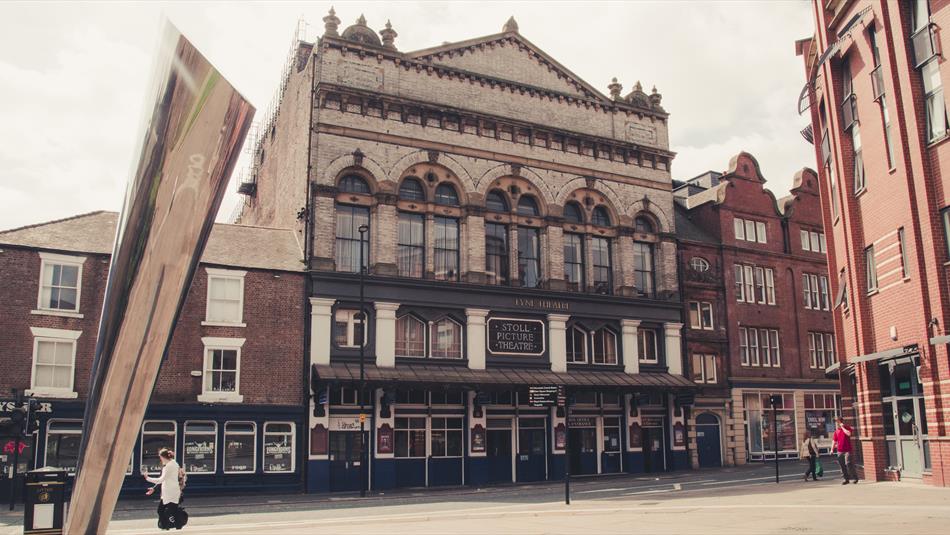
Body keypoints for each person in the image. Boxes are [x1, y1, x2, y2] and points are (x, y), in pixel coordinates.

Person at [144, 448, 186, 530]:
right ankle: (168, 525)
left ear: (163, 457)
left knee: (167, 511)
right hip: (171, 492)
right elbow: (166, 479)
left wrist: (147, 478)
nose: (160, 459)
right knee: (166, 510)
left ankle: (174, 525)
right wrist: (154, 488)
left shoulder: (168, 466)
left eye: (160, 457)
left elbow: (161, 480)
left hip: (170, 492)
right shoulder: (174, 464)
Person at [832, 417, 858, 485]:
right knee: (842, 465)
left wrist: (843, 427)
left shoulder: (847, 427)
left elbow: (848, 434)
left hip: (847, 450)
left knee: (848, 463)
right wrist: (832, 449)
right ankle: (846, 479)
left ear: (841, 422)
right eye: (836, 422)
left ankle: (855, 478)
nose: (837, 423)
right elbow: (834, 441)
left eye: (838, 422)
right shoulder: (836, 431)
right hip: (840, 451)